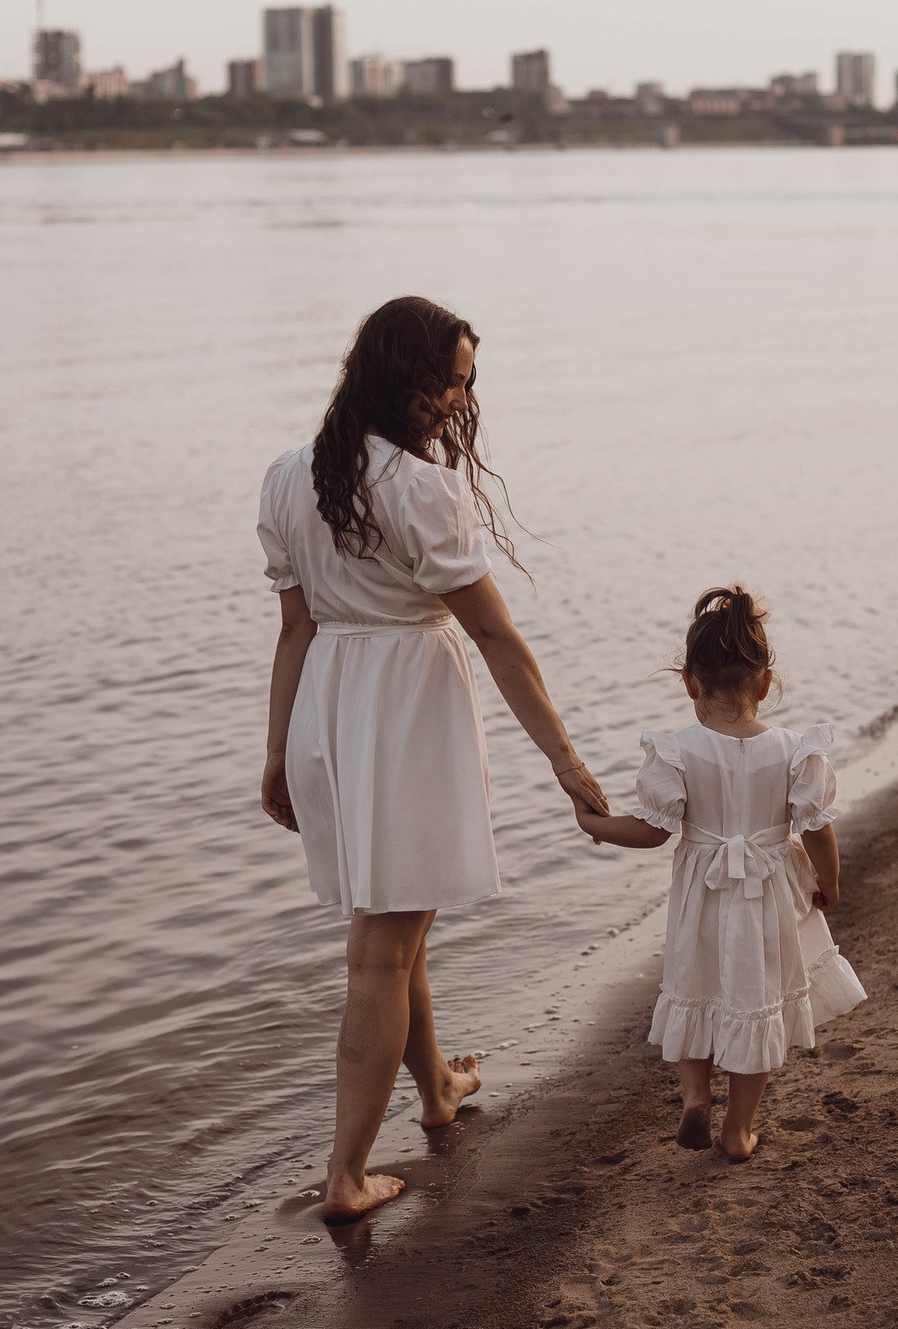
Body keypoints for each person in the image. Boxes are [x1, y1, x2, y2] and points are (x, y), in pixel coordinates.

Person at [258, 295, 608, 1223]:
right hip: (405, 704)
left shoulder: (290, 477)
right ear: (401, 379)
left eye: (465, 382)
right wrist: (568, 765)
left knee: (396, 921)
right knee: (380, 949)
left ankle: (439, 1091)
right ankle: (345, 1176)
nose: (459, 399)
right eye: (448, 382)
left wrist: (277, 751)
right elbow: (498, 640)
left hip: (330, 710)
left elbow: (295, 631)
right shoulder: (421, 490)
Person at [574, 586, 866, 1160]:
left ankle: (694, 1098)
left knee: (696, 985)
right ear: (764, 683)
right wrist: (828, 883)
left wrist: (595, 825)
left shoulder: (678, 752)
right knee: (757, 996)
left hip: (700, 894)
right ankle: (738, 1129)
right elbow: (817, 829)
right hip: (768, 893)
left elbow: (653, 831)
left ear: (690, 682)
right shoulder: (795, 751)